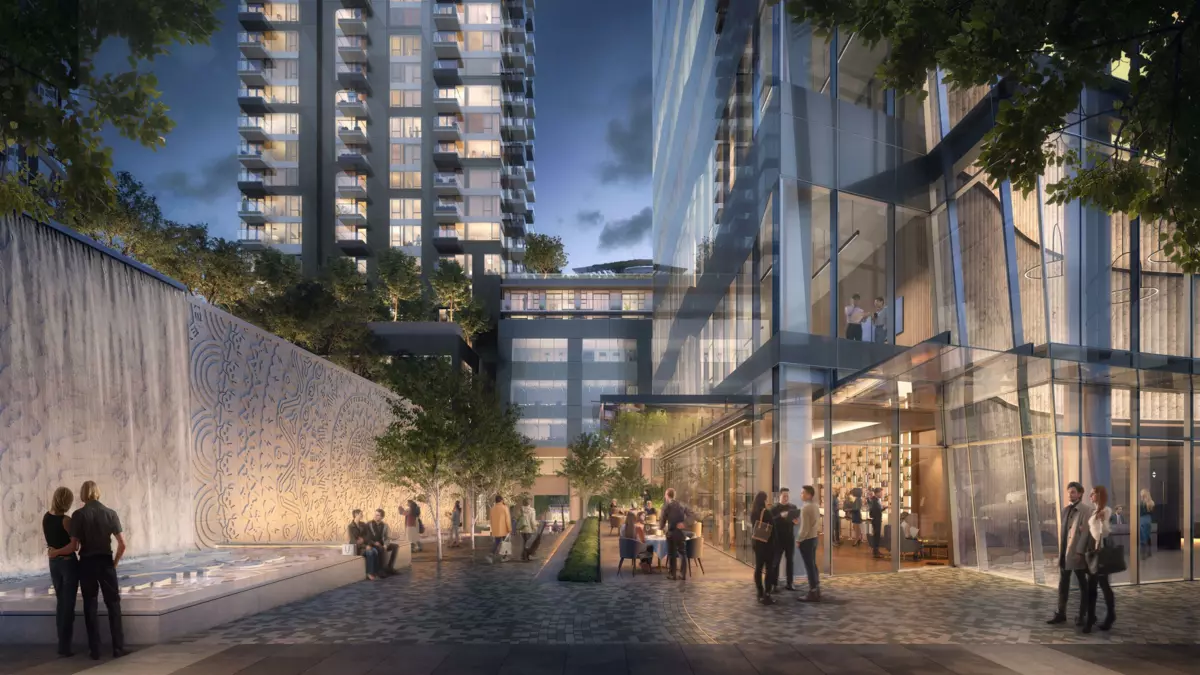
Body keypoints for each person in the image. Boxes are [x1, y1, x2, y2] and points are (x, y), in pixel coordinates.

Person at [68, 481, 127, 660]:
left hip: (86, 563)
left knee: (90, 604)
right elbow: (123, 544)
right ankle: (118, 648)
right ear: (98, 493)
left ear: (83, 494)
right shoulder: (111, 514)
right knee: (113, 604)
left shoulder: (78, 515)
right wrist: (114, 563)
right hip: (105, 562)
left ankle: (95, 650)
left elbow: (74, 545)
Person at [1048, 481, 1092, 626]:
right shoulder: (1065, 510)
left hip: (1077, 554)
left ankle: (1082, 615)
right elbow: (1064, 532)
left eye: (1073, 492)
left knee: (1083, 585)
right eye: (1068, 492)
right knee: (1063, 583)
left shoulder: (1086, 510)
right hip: (1065, 553)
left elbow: (1085, 534)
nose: (1070, 494)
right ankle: (1061, 613)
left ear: (1080, 493)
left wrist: (1080, 552)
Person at [44, 487, 78, 657]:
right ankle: (65, 647)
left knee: (61, 602)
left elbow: (51, 543)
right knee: (68, 604)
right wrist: (58, 551)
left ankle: (62, 642)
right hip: (67, 564)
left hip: (53, 564)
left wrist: (53, 552)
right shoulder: (66, 520)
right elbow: (74, 546)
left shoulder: (46, 517)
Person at [1085, 485, 1116, 633]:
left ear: (1099, 495)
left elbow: (1104, 531)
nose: (1090, 496)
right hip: (1095, 548)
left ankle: (1107, 616)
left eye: (1093, 494)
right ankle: (1094, 617)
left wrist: (1101, 521)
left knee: (1101, 584)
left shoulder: (1106, 510)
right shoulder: (1095, 511)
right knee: (1095, 585)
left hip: (1101, 549)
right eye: (1090, 494)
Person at [750, 491, 777, 604]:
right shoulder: (766, 512)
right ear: (764, 500)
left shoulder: (753, 512)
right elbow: (773, 530)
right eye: (766, 499)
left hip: (757, 543)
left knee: (758, 568)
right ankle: (767, 594)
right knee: (769, 569)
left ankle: (759, 592)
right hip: (767, 544)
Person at [770, 488, 799, 592]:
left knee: (790, 561)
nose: (786, 498)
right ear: (780, 496)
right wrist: (780, 516)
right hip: (777, 539)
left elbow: (795, 520)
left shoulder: (793, 507)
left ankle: (790, 583)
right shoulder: (774, 508)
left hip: (789, 538)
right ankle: (774, 584)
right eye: (784, 496)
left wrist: (795, 521)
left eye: (787, 496)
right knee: (775, 562)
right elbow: (771, 522)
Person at [796, 485, 821, 602]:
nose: (801, 495)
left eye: (803, 493)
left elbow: (805, 528)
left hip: (807, 540)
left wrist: (799, 539)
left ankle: (812, 592)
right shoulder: (815, 506)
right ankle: (816, 587)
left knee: (809, 566)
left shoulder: (805, 508)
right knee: (812, 564)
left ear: (809, 495)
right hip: (814, 538)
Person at [659, 487, 689, 581]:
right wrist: (685, 524)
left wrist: (661, 528)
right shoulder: (681, 505)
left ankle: (673, 575)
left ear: (667, 496)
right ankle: (683, 574)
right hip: (681, 533)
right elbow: (691, 515)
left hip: (671, 533)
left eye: (665, 494)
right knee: (682, 554)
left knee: (672, 554)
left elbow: (662, 520)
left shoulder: (666, 506)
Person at [347, 509, 379, 580]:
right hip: (357, 548)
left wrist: (363, 540)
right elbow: (353, 540)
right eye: (361, 514)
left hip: (365, 545)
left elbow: (368, 536)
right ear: (356, 515)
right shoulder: (350, 527)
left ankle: (375, 571)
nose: (362, 515)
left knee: (375, 551)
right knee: (370, 552)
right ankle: (369, 573)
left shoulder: (363, 524)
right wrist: (364, 545)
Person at [369, 509, 400, 576]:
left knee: (395, 546)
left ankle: (390, 567)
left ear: (382, 517)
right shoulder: (369, 524)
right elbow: (367, 537)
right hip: (372, 544)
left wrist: (386, 545)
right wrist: (374, 543)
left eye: (378, 515)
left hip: (382, 543)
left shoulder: (385, 525)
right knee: (381, 549)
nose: (375, 516)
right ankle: (381, 570)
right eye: (375, 514)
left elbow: (387, 537)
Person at [488, 495, 511, 563]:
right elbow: (507, 520)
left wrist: (492, 529)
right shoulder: (505, 508)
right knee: (505, 543)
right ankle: (504, 557)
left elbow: (491, 520)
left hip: (496, 529)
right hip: (504, 529)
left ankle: (491, 555)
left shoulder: (492, 509)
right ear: (501, 500)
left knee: (497, 542)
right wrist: (509, 529)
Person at [517, 497, 537, 562]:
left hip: (522, 529)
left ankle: (524, 556)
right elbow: (532, 521)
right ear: (529, 503)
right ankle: (525, 556)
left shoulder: (520, 509)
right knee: (528, 544)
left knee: (525, 543)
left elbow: (518, 519)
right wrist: (535, 528)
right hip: (529, 529)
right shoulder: (532, 510)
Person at [1138, 489, 1155, 559]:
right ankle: (1149, 552)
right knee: (1148, 536)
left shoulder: (1141, 503)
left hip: (1142, 519)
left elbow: (1139, 512)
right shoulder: (1151, 503)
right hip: (1148, 519)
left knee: (1142, 537)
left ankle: (1143, 554)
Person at [868, 488, 884, 558]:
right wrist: (882, 509)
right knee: (876, 535)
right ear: (877, 493)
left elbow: (877, 510)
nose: (882, 494)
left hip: (877, 519)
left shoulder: (876, 500)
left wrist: (883, 508)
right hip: (876, 520)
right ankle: (875, 552)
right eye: (881, 493)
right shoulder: (874, 500)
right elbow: (874, 511)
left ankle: (876, 551)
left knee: (877, 535)